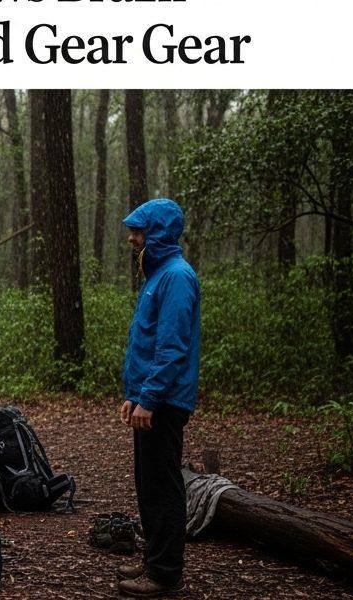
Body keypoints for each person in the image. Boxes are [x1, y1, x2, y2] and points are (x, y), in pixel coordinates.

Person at [116, 198, 201, 597]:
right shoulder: (158, 275)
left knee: (163, 486)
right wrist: (134, 396)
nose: (132, 238)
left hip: (165, 401)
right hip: (151, 397)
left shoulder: (177, 277)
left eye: (138, 231)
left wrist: (149, 398)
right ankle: (154, 557)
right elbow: (146, 343)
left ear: (158, 233)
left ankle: (164, 572)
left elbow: (171, 348)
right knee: (147, 483)